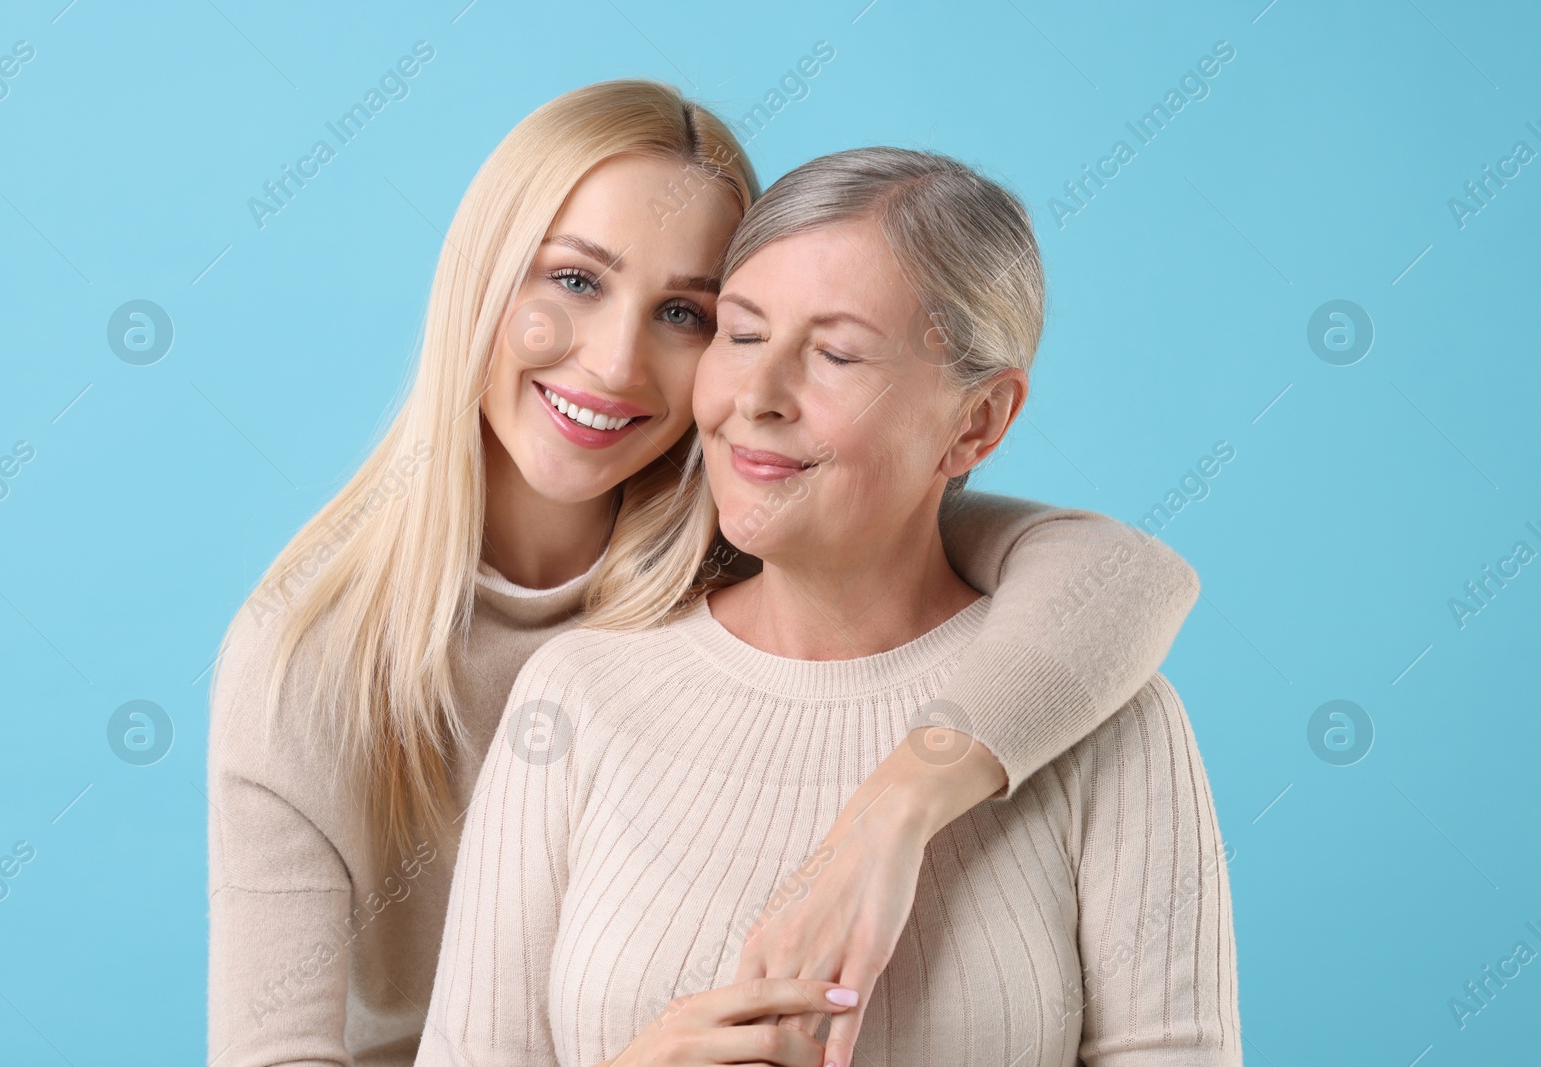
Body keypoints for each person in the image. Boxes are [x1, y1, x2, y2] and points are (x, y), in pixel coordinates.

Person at [207, 82, 1201, 1067]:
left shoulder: (759, 540)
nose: (611, 362)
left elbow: (1119, 578)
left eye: (685, 310)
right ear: (479, 276)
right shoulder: (312, 655)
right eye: (575, 280)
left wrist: (890, 813)